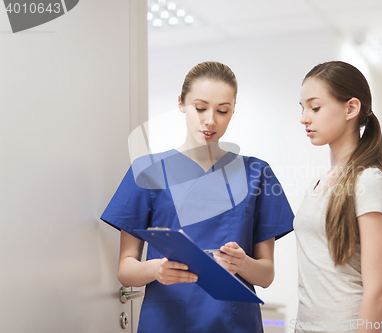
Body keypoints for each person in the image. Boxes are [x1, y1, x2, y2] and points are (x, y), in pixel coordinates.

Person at [100, 61, 294, 333]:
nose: (210, 120)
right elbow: (126, 268)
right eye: (200, 108)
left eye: (222, 110)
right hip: (166, 322)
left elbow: (266, 275)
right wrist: (156, 270)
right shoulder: (147, 171)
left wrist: (243, 263)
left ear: (233, 110)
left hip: (235, 324)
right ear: (181, 103)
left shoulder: (256, 173)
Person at [294, 61, 382, 333]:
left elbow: (379, 291)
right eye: (302, 108)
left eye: (315, 108)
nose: (304, 118)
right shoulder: (316, 185)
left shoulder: (369, 180)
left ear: (351, 108)